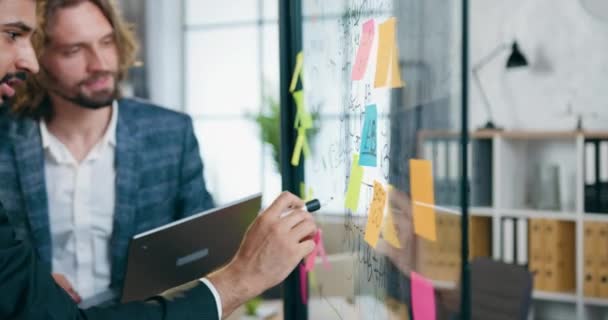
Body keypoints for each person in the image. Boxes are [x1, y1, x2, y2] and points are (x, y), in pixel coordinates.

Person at [0, 0, 215, 304]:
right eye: (73, 51)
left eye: (106, 41)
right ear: (39, 59)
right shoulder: (4, 137)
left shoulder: (171, 134)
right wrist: (28, 284)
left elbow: (204, 250)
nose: (100, 63)